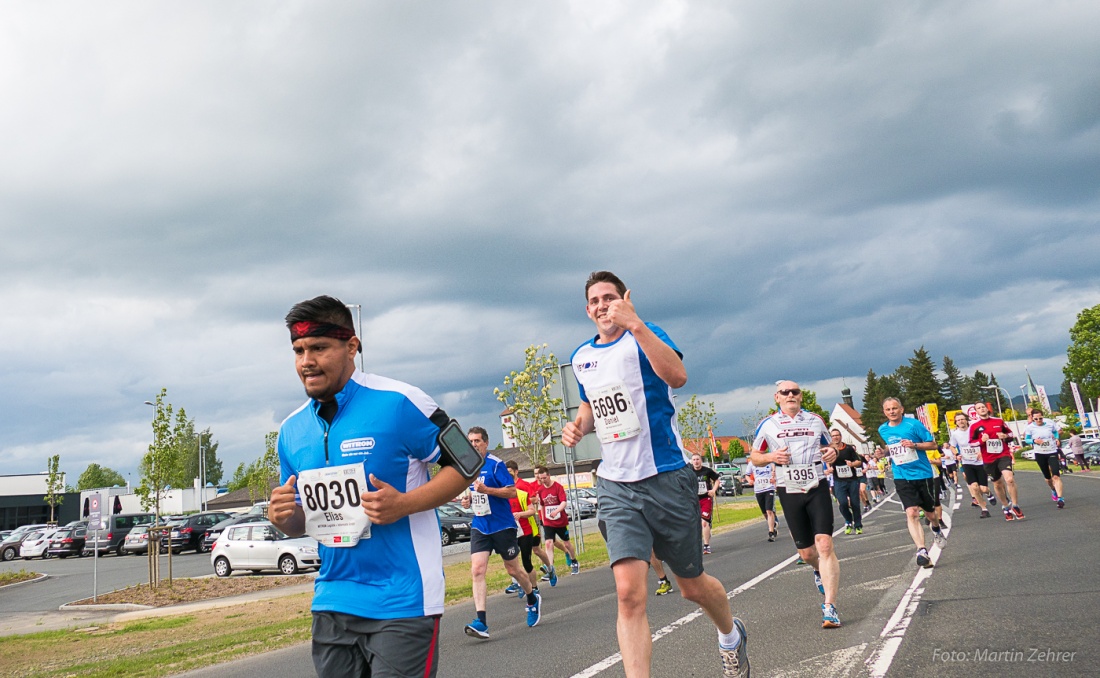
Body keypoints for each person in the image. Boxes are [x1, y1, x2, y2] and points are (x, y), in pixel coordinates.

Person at [269, 295, 469, 677]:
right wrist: (284, 517)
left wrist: (405, 504)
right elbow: (301, 522)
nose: (306, 361)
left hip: (403, 600)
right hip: (332, 600)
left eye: (319, 348)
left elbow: (466, 464)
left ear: (352, 346)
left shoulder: (400, 401)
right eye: (298, 350)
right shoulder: (291, 430)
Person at [561, 271, 748, 678]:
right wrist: (579, 425)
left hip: (666, 476)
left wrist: (637, 324)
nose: (601, 306)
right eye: (594, 301)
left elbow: (677, 377)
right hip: (615, 485)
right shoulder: (581, 357)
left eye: (609, 297)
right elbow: (591, 405)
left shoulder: (645, 335)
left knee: (691, 586)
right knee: (628, 595)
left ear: (624, 299)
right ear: (587, 309)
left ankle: (731, 635)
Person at [751, 380, 842, 629]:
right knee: (807, 553)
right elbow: (754, 456)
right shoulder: (767, 424)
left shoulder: (815, 420)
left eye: (795, 392)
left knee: (824, 543)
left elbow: (830, 444)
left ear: (801, 396)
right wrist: (771, 457)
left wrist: (832, 451)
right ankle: (817, 570)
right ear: (777, 397)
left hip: (816, 484)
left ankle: (830, 607)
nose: (791, 395)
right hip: (788, 487)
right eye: (785, 392)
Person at [460, 427, 543, 638]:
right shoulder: (467, 466)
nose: (474, 444)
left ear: (486, 443)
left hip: (503, 525)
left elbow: (512, 491)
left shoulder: (496, 464)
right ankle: (481, 621)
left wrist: (487, 490)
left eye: (477, 441)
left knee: (513, 570)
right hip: (480, 525)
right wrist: (467, 501)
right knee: (477, 569)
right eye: (470, 441)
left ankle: (532, 598)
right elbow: (471, 493)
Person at [875, 397, 945, 569]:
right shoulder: (883, 429)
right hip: (901, 476)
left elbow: (933, 445)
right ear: (884, 412)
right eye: (888, 409)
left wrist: (914, 445)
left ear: (901, 409)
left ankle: (936, 529)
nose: (891, 412)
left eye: (894, 408)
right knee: (912, 512)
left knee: (930, 514)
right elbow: (890, 448)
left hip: (922, 474)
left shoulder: (913, 425)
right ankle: (921, 550)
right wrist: (882, 452)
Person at [504, 460, 554, 595]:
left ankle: (549, 569)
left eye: (510, 472)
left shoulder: (524, 486)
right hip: (512, 529)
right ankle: (518, 584)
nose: (507, 475)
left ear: (516, 472)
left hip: (529, 524)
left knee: (535, 550)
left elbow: (534, 500)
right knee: (512, 559)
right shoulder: (503, 488)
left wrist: (522, 509)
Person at [969, 402, 1023, 521]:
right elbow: (972, 443)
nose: (981, 409)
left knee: (1009, 479)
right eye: (978, 408)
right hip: (989, 459)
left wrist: (1004, 436)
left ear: (987, 409)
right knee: (997, 483)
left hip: (1003, 455)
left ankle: (1015, 505)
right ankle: (1005, 506)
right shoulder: (974, 426)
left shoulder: (998, 421)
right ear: (976, 412)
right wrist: (982, 440)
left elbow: (1010, 434)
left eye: (983, 407)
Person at [532, 466, 580, 578]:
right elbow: (542, 505)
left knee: (566, 543)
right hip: (548, 521)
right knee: (548, 543)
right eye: (541, 479)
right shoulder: (540, 490)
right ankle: (551, 568)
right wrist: (543, 519)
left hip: (560, 521)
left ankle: (574, 561)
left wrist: (556, 511)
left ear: (548, 475)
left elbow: (563, 502)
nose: (543, 480)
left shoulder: (558, 487)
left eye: (544, 478)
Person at [948, 413, 992, 518]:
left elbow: (985, 441)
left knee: (984, 489)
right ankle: (984, 509)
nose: (960, 422)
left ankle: (989, 494)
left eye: (962, 419)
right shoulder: (955, 434)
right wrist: (957, 454)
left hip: (980, 462)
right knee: (974, 487)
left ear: (966, 420)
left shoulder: (974, 430)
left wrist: (982, 452)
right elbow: (952, 446)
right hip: (967, 462)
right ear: (956, 423)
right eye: (958, 420)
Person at [1024, 412, 1066, 509]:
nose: (1039, 420)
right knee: (1048, 478)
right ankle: (1053, 489)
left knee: (1056, 476)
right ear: (1032, 418)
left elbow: (1056, 431)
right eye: (1036, 419)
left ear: (1043, 417)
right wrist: (1034, 441)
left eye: (1040, 418)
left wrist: (1056, 438)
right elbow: (1027, 439)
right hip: (1040, 453)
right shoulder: (1030, 428)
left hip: (1052, 452)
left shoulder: (1050, 423)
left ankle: (1060, 498)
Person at [828, 430, 863, 535]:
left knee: (855, 503)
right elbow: (827, 462)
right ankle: (848, 520)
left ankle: (858, 525)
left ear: (840, 436)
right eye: (833, 436)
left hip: (852, 480)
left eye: (837, 435)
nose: (835, 437)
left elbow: (859, 462)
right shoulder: (830, 450)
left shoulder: (849, 448)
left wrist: (852, 464)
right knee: (842, 503)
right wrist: (829, 468)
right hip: (839, 481)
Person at [691, 454, 721, 554]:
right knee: (695, 524)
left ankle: (706, 546)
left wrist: (713, 490)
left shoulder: (707, 471)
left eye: (698, 459)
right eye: (694, 460)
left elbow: (717, 480)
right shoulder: (689, 472)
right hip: (694, 500)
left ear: (701, 460)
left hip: (706, 498)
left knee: (704, 522)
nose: (696, 461)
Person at [746, 461, 778, 541]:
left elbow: (775, 471)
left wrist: (774, 478)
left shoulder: (769, 461)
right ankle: (773, 523)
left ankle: (771, 532)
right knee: (764, 512)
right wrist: (749, 480)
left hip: (769, 488)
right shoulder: (752, 463)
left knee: (769, 511)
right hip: (758, 490)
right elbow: (747, 475)